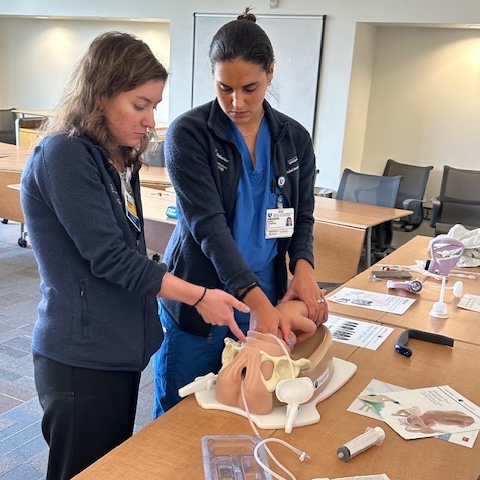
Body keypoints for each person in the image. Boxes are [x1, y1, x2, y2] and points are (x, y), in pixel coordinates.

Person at [20, 31, 249, 480]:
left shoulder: (115, 159)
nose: (150, 120)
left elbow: (129, 246)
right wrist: (199, 295)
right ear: (100, 94)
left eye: (155, 106)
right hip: (81, 359)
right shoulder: (64, 154)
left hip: (118, 353)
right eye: (139, 105)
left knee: (111, 468)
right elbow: (112, 258)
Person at [152, 9, 329, 418]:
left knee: (252, 405)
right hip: (204, 292)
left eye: (250, 88)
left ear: (270, 72)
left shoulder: (293, 138)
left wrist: (303, 269)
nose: (237, 102)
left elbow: (301, 216)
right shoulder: (189, 134)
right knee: (183, 410)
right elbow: (208, 227)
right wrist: (259, 306)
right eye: (224, 88)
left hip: (265, 288)